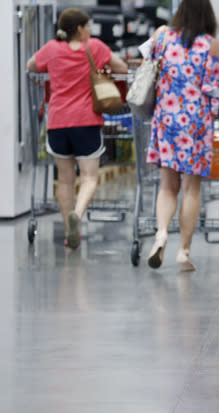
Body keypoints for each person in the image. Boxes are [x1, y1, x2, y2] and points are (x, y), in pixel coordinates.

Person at [145, 0, 219, 271]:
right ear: (208, 15)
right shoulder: (212, 45)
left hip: (166, 118)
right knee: (191, 188)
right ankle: (183, 252)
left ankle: (161, 233)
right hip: (196, 123)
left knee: (167, 186)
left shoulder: (161, 38)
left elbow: (146, 64)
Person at [26, 8, 128, 250]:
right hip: (86, 121)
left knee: (64, 181)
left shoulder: (51, 48)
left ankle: (71, 230)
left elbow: (31, 66)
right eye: (89, 26)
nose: (91, 30)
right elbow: (122, 68)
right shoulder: (95, 47)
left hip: (58, 122)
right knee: (90, 176)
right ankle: (78, 215)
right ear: (80, 28)